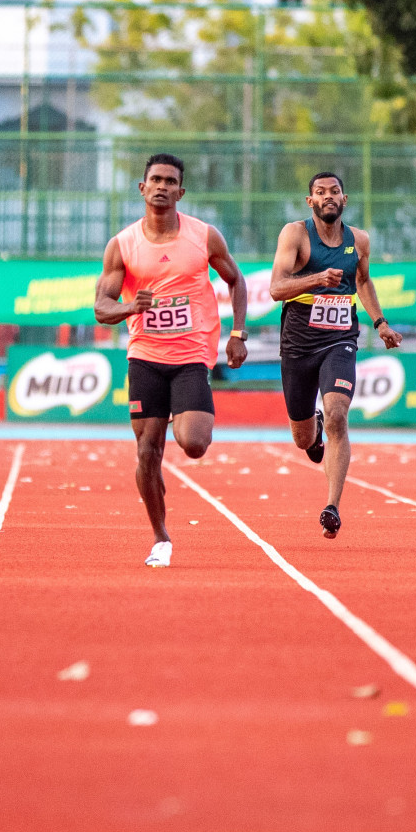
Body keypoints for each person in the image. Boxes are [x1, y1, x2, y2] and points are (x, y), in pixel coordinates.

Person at [95, 154, 249, 568]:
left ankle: (182, 418)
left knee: (194, 443)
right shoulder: (123, 245)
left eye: (170, 181)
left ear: (181, 192)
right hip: (145, 355)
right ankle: (161, 538)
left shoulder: (204, 236)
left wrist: (238, 333)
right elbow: (101, 307)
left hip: (191, 356)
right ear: (142, 188)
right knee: (148, 449)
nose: (162, 187)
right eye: (155, 180)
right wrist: (130, 308)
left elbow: (236, 280)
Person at [269, 171, 402, 539]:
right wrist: (315, 279)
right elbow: (276, 288)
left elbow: (362, 281)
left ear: (344, 199)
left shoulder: (359, 239)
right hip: (298, 342)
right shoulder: (295, 234)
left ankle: (332, 506)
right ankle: (311, 434)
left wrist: (380, 323)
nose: (328, 196)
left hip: (340, 339)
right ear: (310, 201)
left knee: (339, 416)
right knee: (301, 438)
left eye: (335, 191)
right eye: (320, 192)